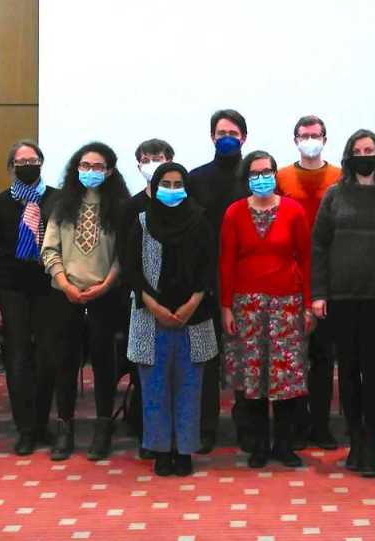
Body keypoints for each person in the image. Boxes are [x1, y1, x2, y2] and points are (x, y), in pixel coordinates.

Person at [311, 129, 375, 478]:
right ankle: (354, 439)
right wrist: (319, 293)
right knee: (348, 372)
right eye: (358, 150)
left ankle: (371, 443)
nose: (364, 155)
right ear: (348, 156)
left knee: (374, 373)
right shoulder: (334, 195)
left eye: (369, 149)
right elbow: (319, 247)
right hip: (341, 297)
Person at [123, 162, 218, 477]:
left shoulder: (201, 221)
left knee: (190, 389)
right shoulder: (141, 222)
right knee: (154, 390)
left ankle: (185, 451)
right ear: (155, 185)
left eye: (179, 184)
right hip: (150, 319)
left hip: (195, 317)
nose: (173, 189)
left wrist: (192, 303)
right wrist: (155, 307)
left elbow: (208, 269)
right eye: (167, 183)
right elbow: (131, 269)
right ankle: (160, 449)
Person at [220, 150, 313, 468]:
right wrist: (226, 306)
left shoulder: (293, 210)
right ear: (246, 178)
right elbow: (226, 262)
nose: (262, 177)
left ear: (275, 174)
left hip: (287, 305)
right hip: (247, 307)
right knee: (252, 380)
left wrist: (308, 305)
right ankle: (258, 445)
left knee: (285, 379)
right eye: (255, 173)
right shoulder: (234, 212)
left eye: (267, 171)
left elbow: (307, 258)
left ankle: (284, 445)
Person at [41, 142, 130, 461]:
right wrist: (64, 284)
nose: (90, 172)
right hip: (64, 295)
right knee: (65, 364)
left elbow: (124, 254)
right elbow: (49, 249)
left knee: (105, 365)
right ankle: (65, 428)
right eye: (85, 165)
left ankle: (103, 428)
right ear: (75, 168)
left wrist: (105, 285)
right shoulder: (61, 204)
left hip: (105, 297)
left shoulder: (120, 206)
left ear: (109, 171)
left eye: (98, 166)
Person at [0, 140, 60, 456]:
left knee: (47, 358)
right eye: (21, 160)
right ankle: (25, 428)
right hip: (11, 290)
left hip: (49, 290)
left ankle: (43, 423)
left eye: (33, 159)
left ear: (41, 162)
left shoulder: (57, 200)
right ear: (11, 167)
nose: (28, 164)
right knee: (17, 360)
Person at [276, 115, 342, 451]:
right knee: (293, 356)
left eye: (315, 134)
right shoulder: (281, 177)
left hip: (328, 274)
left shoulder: (339, 176)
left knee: (323, 356)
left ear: (325, 139)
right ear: (295, 139)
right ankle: (296, 425)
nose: (310, 139)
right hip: (290, 275)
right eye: (304, 135)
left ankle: (321, 425)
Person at [186, 109, 251, 453]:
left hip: (247, 281)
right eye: (221, 131)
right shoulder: (196, 179)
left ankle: (245, 425)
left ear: (244, 137)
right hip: (208, 280)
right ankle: (206, 426)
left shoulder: (255, 176)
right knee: (207, 359)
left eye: (233, 131)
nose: (227, 136)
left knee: (242, 356)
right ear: (212, 136)